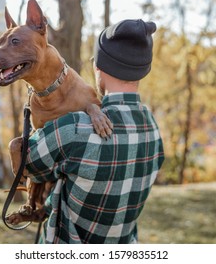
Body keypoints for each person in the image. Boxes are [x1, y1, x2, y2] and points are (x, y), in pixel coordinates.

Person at [22, 19, 164, 244]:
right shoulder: (154, 129)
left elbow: (25, 165)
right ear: (143, 70)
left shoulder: (74, 128)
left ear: (98, 67)